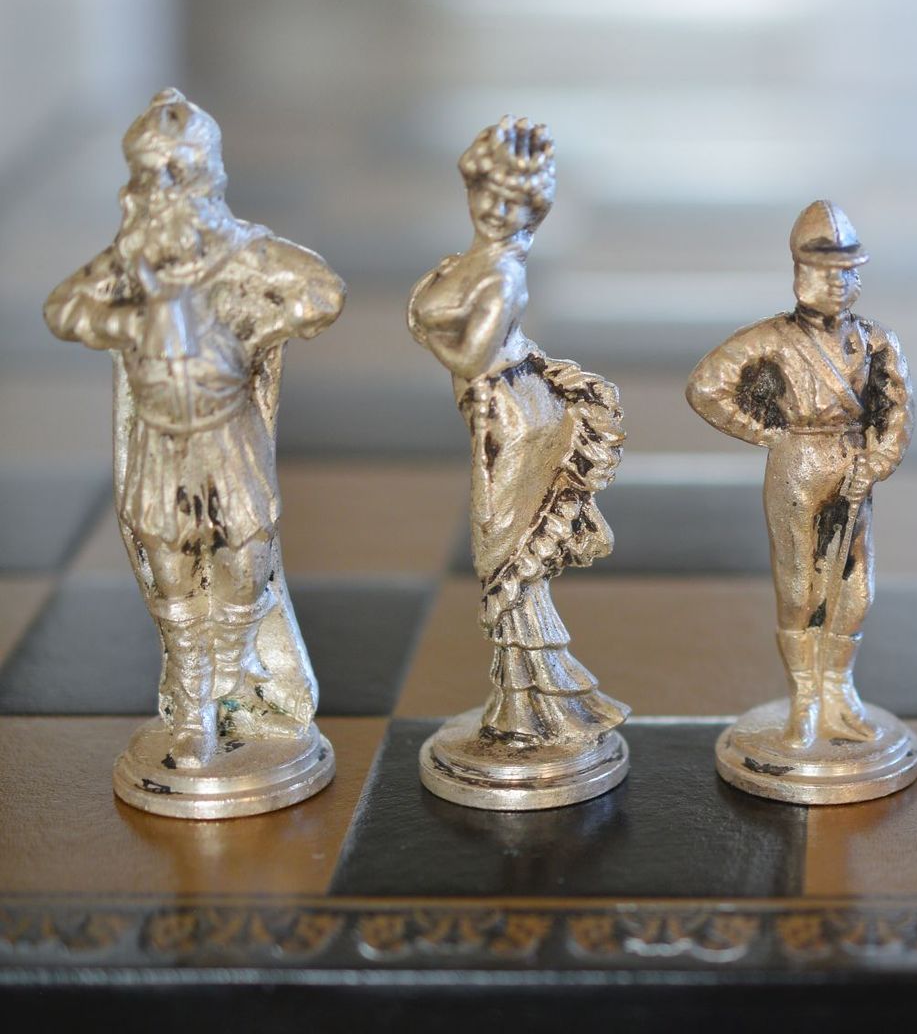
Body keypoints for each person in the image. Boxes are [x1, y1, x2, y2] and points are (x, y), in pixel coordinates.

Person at [44, 89, 343, 767]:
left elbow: (322, 292)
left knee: (245, 558)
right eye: (153, 174)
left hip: (226, 435)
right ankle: (195, 706)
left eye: (180, 171)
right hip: (160, 443)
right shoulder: (131, 263)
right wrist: (131, 324)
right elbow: (63, 308)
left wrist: (251, 332)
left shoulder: (239, 251)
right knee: (173, 571)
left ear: (209, 175)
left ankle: (235, 675)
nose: (166, 187)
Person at [408, 117, 627, 748]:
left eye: (513, 202)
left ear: (532, 212)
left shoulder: (501, 272)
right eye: (486, 194)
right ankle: (525, 706)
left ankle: (535, 709)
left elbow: (471, 355)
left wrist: (425, 323)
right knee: (501, 560)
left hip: (514, 418)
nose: (496, 210)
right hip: (494, 413)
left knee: (502, 556)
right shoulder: (472, 262)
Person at [685, 200, 913, 748]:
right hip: (798, 463)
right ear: (799, 272)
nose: (838, 283)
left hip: (853, 462)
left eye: (848, 271)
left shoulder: (877, 339)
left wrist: (878, 460)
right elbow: (706, 386)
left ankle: (839, 691)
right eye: (824, 271)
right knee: (798, 588)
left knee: (855, 587)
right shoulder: (769, 338)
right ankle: (805, 699)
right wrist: (767, 433)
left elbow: (897, 408)